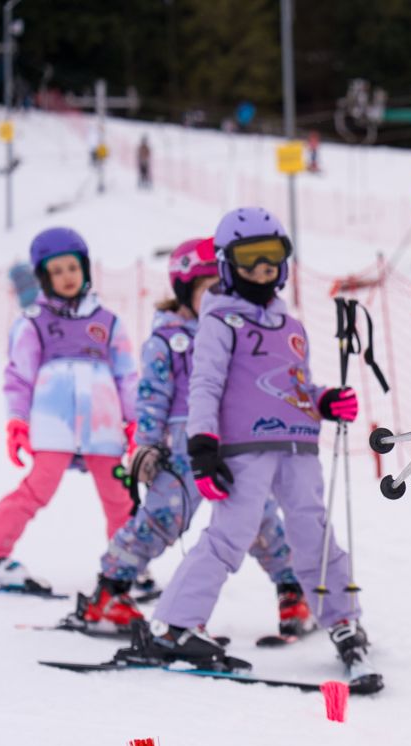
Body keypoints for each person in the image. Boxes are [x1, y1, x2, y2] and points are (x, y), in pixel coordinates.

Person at [147, 207, 371, 675]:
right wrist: (203, 445)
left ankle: (342, 619)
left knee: (314, 533)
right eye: (251, 258)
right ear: (229, 265)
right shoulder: (220, 321)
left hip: (297, 445)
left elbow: (295, 387)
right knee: (231, 534)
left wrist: (324, 400)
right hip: (244, 448)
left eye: (272, 256)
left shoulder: (291, 328)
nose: (263, 268)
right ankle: (175, 624)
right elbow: (205, 384)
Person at [68, 237, 312, 638]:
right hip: (182, 447)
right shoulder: (166, 341)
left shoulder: (237, 333)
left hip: (236, 441)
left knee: (258, 517)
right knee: (162, 518)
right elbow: (151, 397)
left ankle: (292, 590)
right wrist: (147, 444)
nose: (221, 300)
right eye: (211, 291)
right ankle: (109, 591)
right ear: (185, 290)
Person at [0, 228, 136, 593]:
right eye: (56, 271)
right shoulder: (33, 322)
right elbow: (18, 376)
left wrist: (134, 421)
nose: (67, 277)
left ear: (85, 269)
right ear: (44, 277)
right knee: (35, 491)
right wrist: (18, 422)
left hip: (102, 427)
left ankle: (126, 564)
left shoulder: (107, 322)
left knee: (119, 497)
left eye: (72, 267)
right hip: (53, 426)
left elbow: (126, 376)